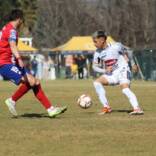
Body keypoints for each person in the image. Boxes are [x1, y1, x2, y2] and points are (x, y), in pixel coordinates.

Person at [0, 9, 67, 117]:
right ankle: (12, 100)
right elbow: (12, 45)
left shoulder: (6, 28)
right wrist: (19, 58)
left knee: (35, 82)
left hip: (12, 63)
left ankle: (50, 109)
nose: (22, 23)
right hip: (5, 64)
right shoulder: (12, 30)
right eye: (22, 20)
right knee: (31, 81)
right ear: (19, 19)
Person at [92, 30, 143, 115]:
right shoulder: (98, 53)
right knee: (96, 83)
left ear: (102, 40)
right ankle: (106, 107)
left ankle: (137, 109)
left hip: (123, 70)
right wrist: (105, 70)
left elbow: (129, 51)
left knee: (125, 89)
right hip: (112, 74)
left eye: (95, 41)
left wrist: (133, 64)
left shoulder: (116, 46)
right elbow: (95, 66)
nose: (94, 44)